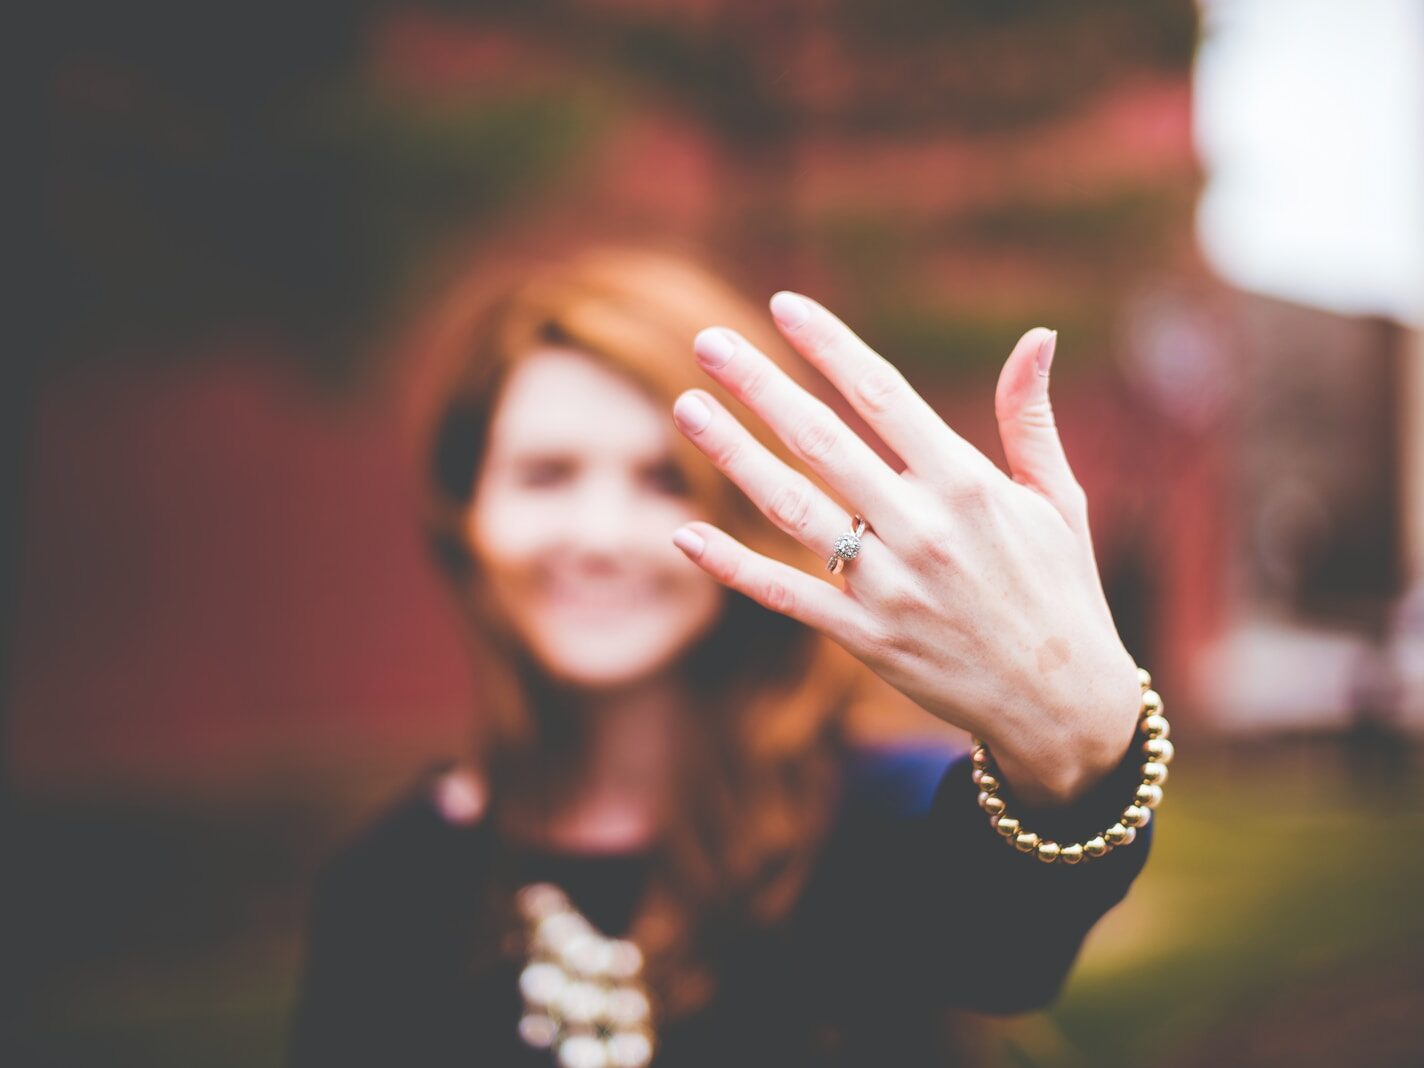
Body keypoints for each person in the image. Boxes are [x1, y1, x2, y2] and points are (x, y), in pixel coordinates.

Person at [286, 243, 1166, 1067]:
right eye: (547, 474)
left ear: (756, 507)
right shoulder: (386, 887)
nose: (600, 537)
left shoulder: (870, 822)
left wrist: (1077, 754)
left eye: (666, 476)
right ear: (465, 513)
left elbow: (1007, 941)